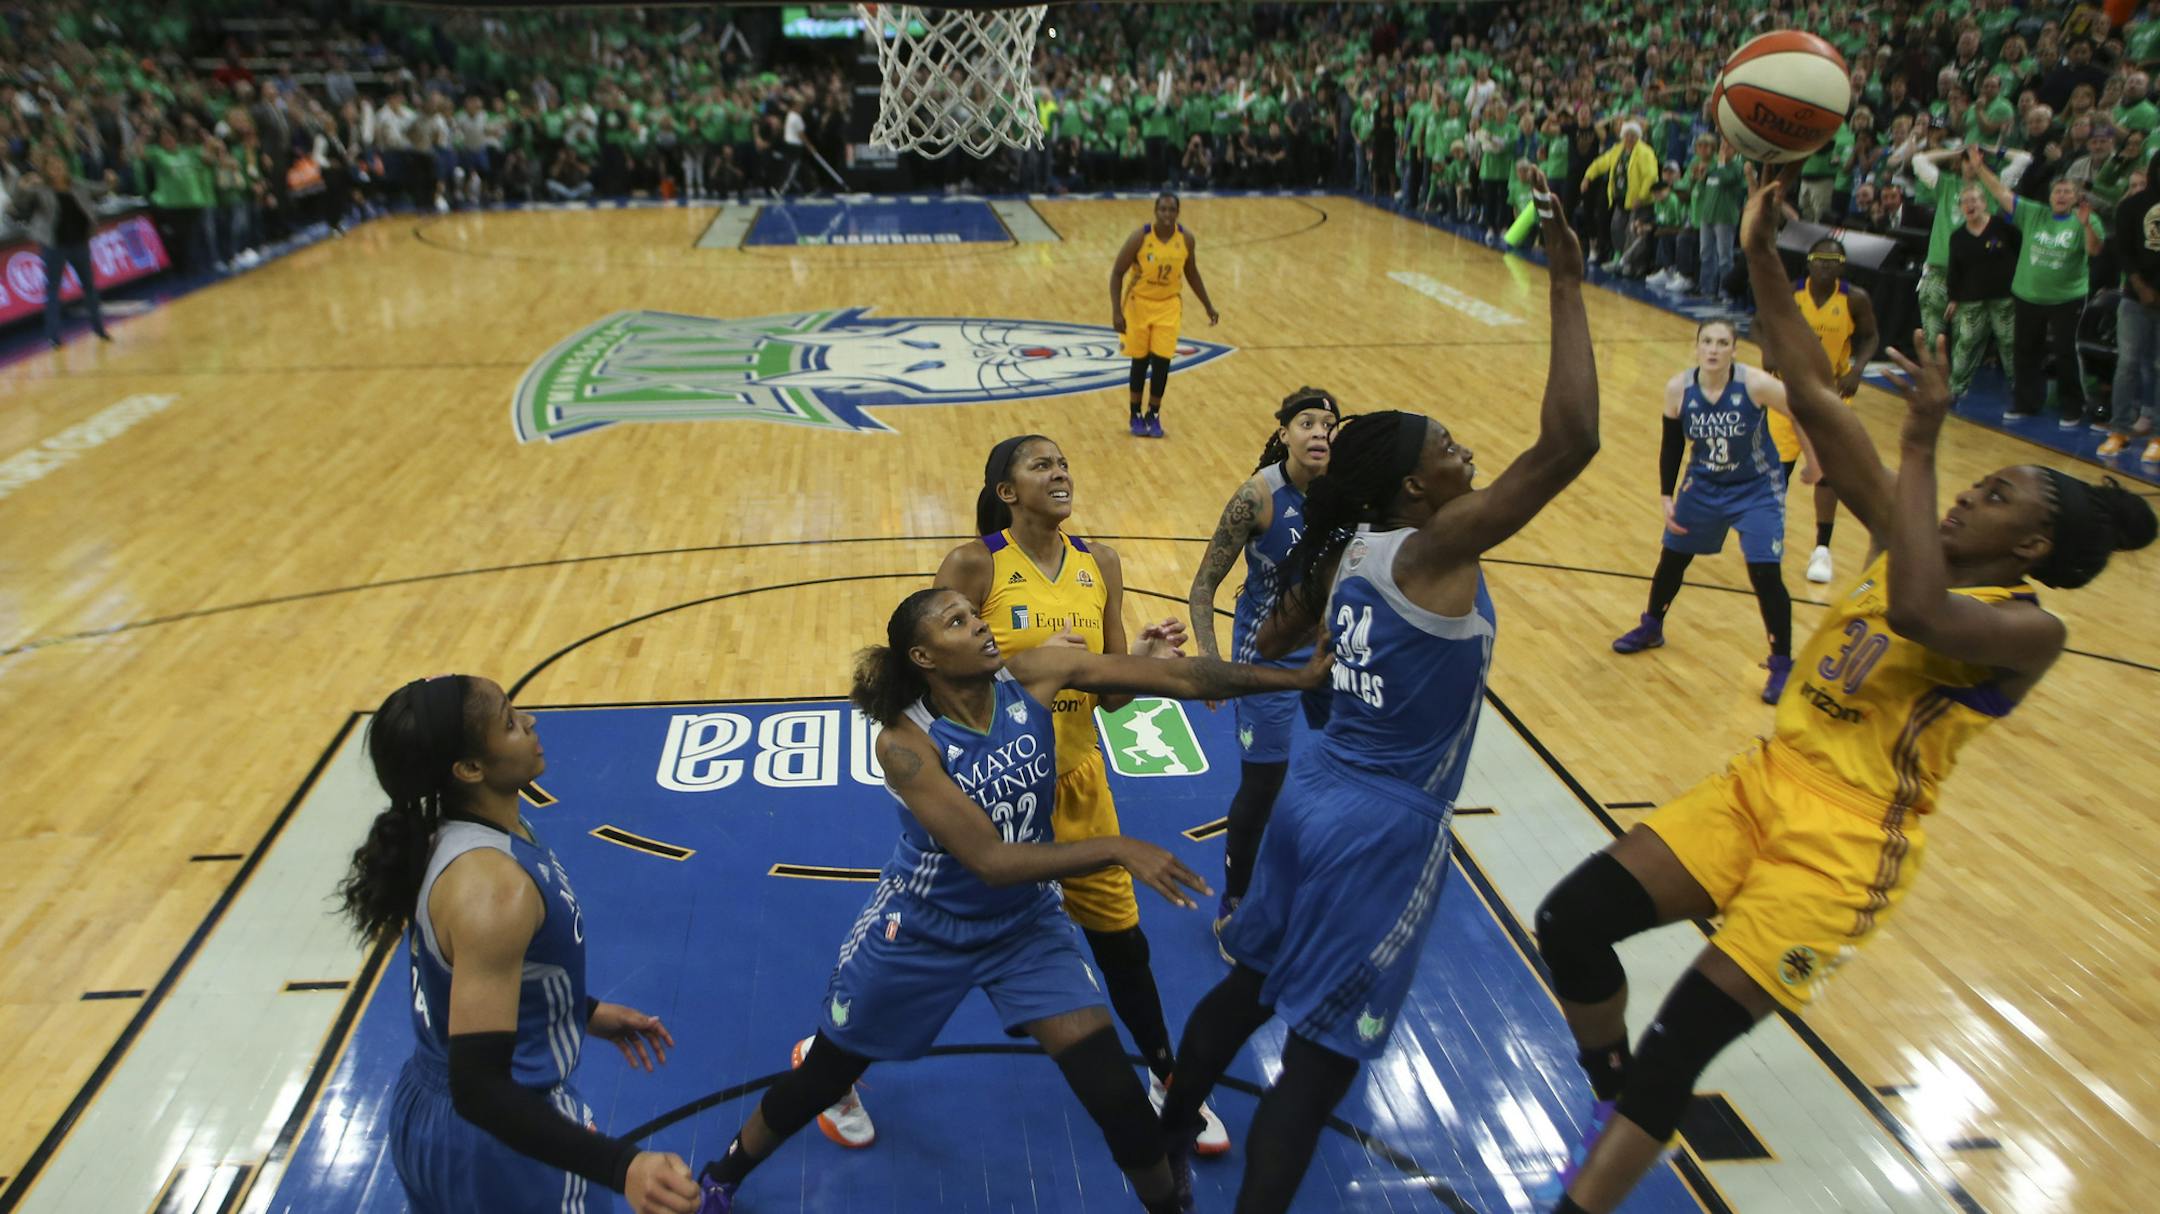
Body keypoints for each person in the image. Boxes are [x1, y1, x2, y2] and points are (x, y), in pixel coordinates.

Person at [1532, 167, 2155, 1214]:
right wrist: (1762, 254)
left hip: (1849, 844)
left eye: (1993, 493)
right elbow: (1814, 390)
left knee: (1682, 1038)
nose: (1967, 490)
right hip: (1764, 779)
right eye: (1972, 479)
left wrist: (1917, 443)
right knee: (1570, 919)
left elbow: (1916, 610)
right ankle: (1615, 1093)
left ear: (2033, 543)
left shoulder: (2028, 627)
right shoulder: (1900, 532)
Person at [1156, 168, 1600, 1214]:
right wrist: (1567, 284)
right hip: (1385, 828)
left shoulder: (1343, 547)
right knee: (1315, 1067)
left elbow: (1275, 640)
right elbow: (1572, 443)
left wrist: (1321, 687)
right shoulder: (1437, 545)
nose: (1465, 452)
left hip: (1314, 792)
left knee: (1244, 986)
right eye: (1447, 448)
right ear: (1416, 486)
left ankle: (1160, 1146)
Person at [693, 589, 1333, 1214]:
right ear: (925, 658)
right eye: (957, 621)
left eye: (974, 614)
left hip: (1025, 926)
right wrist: (1113, 846)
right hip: (922, 930)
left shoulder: (1035, 673)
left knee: (1118, 1100)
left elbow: (1183, 679)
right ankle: (722, 1177)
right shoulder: (904, 744)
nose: (979, 624)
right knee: (826, 1076)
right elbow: (992, 861)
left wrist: (1291, 676)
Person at [336, 676, 701, 1214]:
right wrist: (623, 1166)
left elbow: (468, 987)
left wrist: (585, 1013)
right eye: (508, 722)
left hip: (428, 1109)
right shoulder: (493, 889)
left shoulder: (444, 830)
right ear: (469, 769)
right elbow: (481, 1089)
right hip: (495, 1137)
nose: (529, 723)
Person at [1184, 388, 1340, 948]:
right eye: (1308, 422)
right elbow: (1204, 586)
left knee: (1344, 772)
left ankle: (1322, 884)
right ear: (1284, 434)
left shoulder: (1348, 494)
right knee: (1262, 784)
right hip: (1264, 657)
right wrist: (1208, 659)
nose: (1320, 432)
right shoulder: (1257, 497)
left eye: (1329, 424)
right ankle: (1237, 898)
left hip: (1331, 653)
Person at [1610, 320, 1813, 703]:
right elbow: (1671, 445)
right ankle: (1651, 626)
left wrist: (1814, 461)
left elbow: (1800, 412)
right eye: (1707, 342)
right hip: (1703, 484)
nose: (1714, 349)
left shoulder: (1756, 384)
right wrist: (1666, 494)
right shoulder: (1678, 389)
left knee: (1764, 571)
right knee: (1673, 557)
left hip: (1756, 488)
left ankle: (1782, 663)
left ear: (1735, 350)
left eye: (1723, 343)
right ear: (1697, 347)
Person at [1765, 238, 1879, 585]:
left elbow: (1871, 338)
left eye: (1834, 260)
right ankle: (1770, 537)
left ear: (1843, 266)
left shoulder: (1855, 298)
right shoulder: (1791, 292)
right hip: (1787, 393)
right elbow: (1766, 321)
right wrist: (1769, 352)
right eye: (1820, 259)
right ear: (1809, 262)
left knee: (1829, 475)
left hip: (1831, 395)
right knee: (1775, 473)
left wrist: (1857, 370)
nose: (1826, 266)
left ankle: (1822, 549)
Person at [1977, 163, 2106, 426]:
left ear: (2076, 196)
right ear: (2049, 196)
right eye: (2057, 191)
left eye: (2066, 192)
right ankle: (2026, 403)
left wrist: (2086, 227)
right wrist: (1979, 168)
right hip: (2028, 295)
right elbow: (2001, 193)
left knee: (2066, 352)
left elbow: (2094, 251)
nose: (2061, 196)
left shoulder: (2087, 218)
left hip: (2067, 298)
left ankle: (2073, 407)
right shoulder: (2033, 213)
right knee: (2025, 352)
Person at [1111, 192, 1221, 438]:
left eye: (1172, 210)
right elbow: (1117, 272)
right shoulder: (1140, 236)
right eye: (1163, 209)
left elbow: (1192, 273)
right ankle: (1135, 414)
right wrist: (1116, 311)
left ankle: (1154, 414)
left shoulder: (1186, 239)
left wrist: (1208, 305)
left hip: (1168, 306)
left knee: (1162, 362)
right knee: (1140, 361)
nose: (1167, 214)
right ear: (1155, 211)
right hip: (1138, 305)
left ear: (1177, 212)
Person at [4, 153, 115, 348]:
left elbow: (100, 190)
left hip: (79, 243)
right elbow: (18, 203)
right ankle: (53, 336)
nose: (56, 168)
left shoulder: (77, 185)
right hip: (55, 246)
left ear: (65, 167)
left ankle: (99, 329)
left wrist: (110, 180)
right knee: (53, 290)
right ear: (45, 170)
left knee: (90, 287)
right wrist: (22, 185)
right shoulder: (40, 190)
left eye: (59, 164)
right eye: (51, 166)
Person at [1946, 175, 2023, 406]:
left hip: (2004, 298)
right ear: (1960, 207)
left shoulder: (2004, 228)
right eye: (1965, 202)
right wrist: (1953, 298)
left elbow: (2021, 255)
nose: (1970, 205)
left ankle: (2017, 387)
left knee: (2009, 343)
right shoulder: (1957, 236)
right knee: (1966, 342)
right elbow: (1954, 270)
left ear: (1984, 202)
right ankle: (1955, 387)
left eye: (1974, 200)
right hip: (1971, 299)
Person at [2102, 160, 2160, 462]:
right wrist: (2141, 287)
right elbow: (2122, 252)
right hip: (2134, 299)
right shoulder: (2131, 207)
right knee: (2127, 364)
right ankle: (2119, 430)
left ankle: (2157, 438)